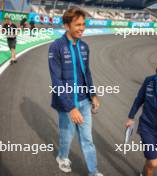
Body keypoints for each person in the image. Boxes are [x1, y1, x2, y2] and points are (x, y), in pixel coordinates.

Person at [48, 7, 103, 176]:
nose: (82, 28)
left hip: (84, 100)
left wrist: (92, 94)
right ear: (66, 26)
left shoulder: (85, 46)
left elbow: (86, 72)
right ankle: (62, 157)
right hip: (66, 103)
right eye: (78, 24)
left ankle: (93, 172)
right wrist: (71, 107)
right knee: (67, 136)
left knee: (87, 139)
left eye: (83, 24)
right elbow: (56, 81)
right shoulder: (55, 47)